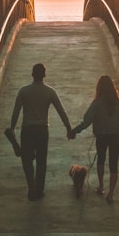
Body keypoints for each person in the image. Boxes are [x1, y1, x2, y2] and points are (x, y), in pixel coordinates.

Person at [10, 63, 72, 201]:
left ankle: (31, 185)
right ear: (44, 75)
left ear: (32, 74)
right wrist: (68, 128)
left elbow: (16, 112)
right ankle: (39, 189)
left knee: (26, 159)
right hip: (42, 129)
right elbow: (61, 111)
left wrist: (13, 128)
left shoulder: (23, 91)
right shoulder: (49, 92)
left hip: (27, 129)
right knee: (41, 160)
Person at [69, 75, 119, 204]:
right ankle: (111, 194)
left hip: (101, 136)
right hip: (115, 137)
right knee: (114, 165)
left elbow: (86, 121)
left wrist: (74, 131)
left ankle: (101, 186)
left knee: (100, 160)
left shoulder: (97, 103)